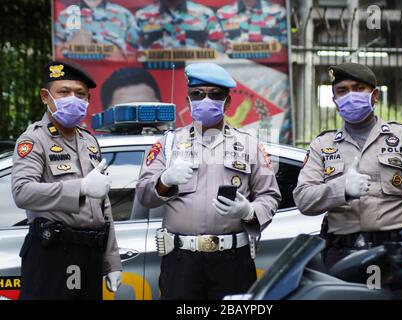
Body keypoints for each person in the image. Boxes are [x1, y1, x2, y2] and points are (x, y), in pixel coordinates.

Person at [136, 62, 281, 299]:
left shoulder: (250, 144)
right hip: (181, 260)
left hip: (232, 260)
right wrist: (164, 180)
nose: (205, 101)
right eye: (198, 94)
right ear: (188, 100)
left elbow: (270, 195)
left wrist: (248, 211)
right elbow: (143, 195)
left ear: (228, 102)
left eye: (215, 95)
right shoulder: (168, 144)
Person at [293, 62, 402, 270]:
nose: (350, 95)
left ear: (374, 95)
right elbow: (303, 199)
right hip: (342, 255)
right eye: (342, 91)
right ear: (335, 101)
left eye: (358, 89)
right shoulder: (322, 145)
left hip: (396, 252)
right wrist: (342, 189)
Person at [11, 60, 122, 299]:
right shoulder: (33, 140)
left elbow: (104, 206)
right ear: (45, 96)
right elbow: (22, 192)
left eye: (80, 94)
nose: (73, 98)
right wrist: (81, 187)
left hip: (90, 253)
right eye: (64, 92)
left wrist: (112, 262)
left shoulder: (89, 141)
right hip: (53, 253)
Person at [54, 0, 139, 59]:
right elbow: (55, 53)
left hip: (113, 74)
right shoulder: (64, 16)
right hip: (76, 75)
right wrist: (71, 44)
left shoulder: (123, 14)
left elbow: (141, 50)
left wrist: (116, 52)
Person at [133, 0, 223, 51]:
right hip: (157, 73)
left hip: (194, 75)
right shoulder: (142, 16)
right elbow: (132, 52)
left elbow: (220, 50)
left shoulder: (205, 14)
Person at [215, 0, 287, 54]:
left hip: (272, 68)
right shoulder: (222, 14)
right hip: (234, 68)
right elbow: (216, 47)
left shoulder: (278, 11)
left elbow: (286, 45)